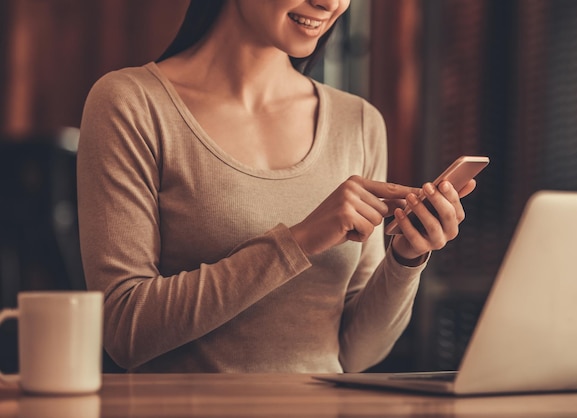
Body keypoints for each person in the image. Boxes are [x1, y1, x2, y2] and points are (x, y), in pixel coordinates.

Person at [77, 0, 476, 373]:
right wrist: (298, 242)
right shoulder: (131, 104)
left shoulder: (358, 122)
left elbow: (355, 355)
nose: (330, 3)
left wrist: (406, 258)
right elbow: (124, 332)